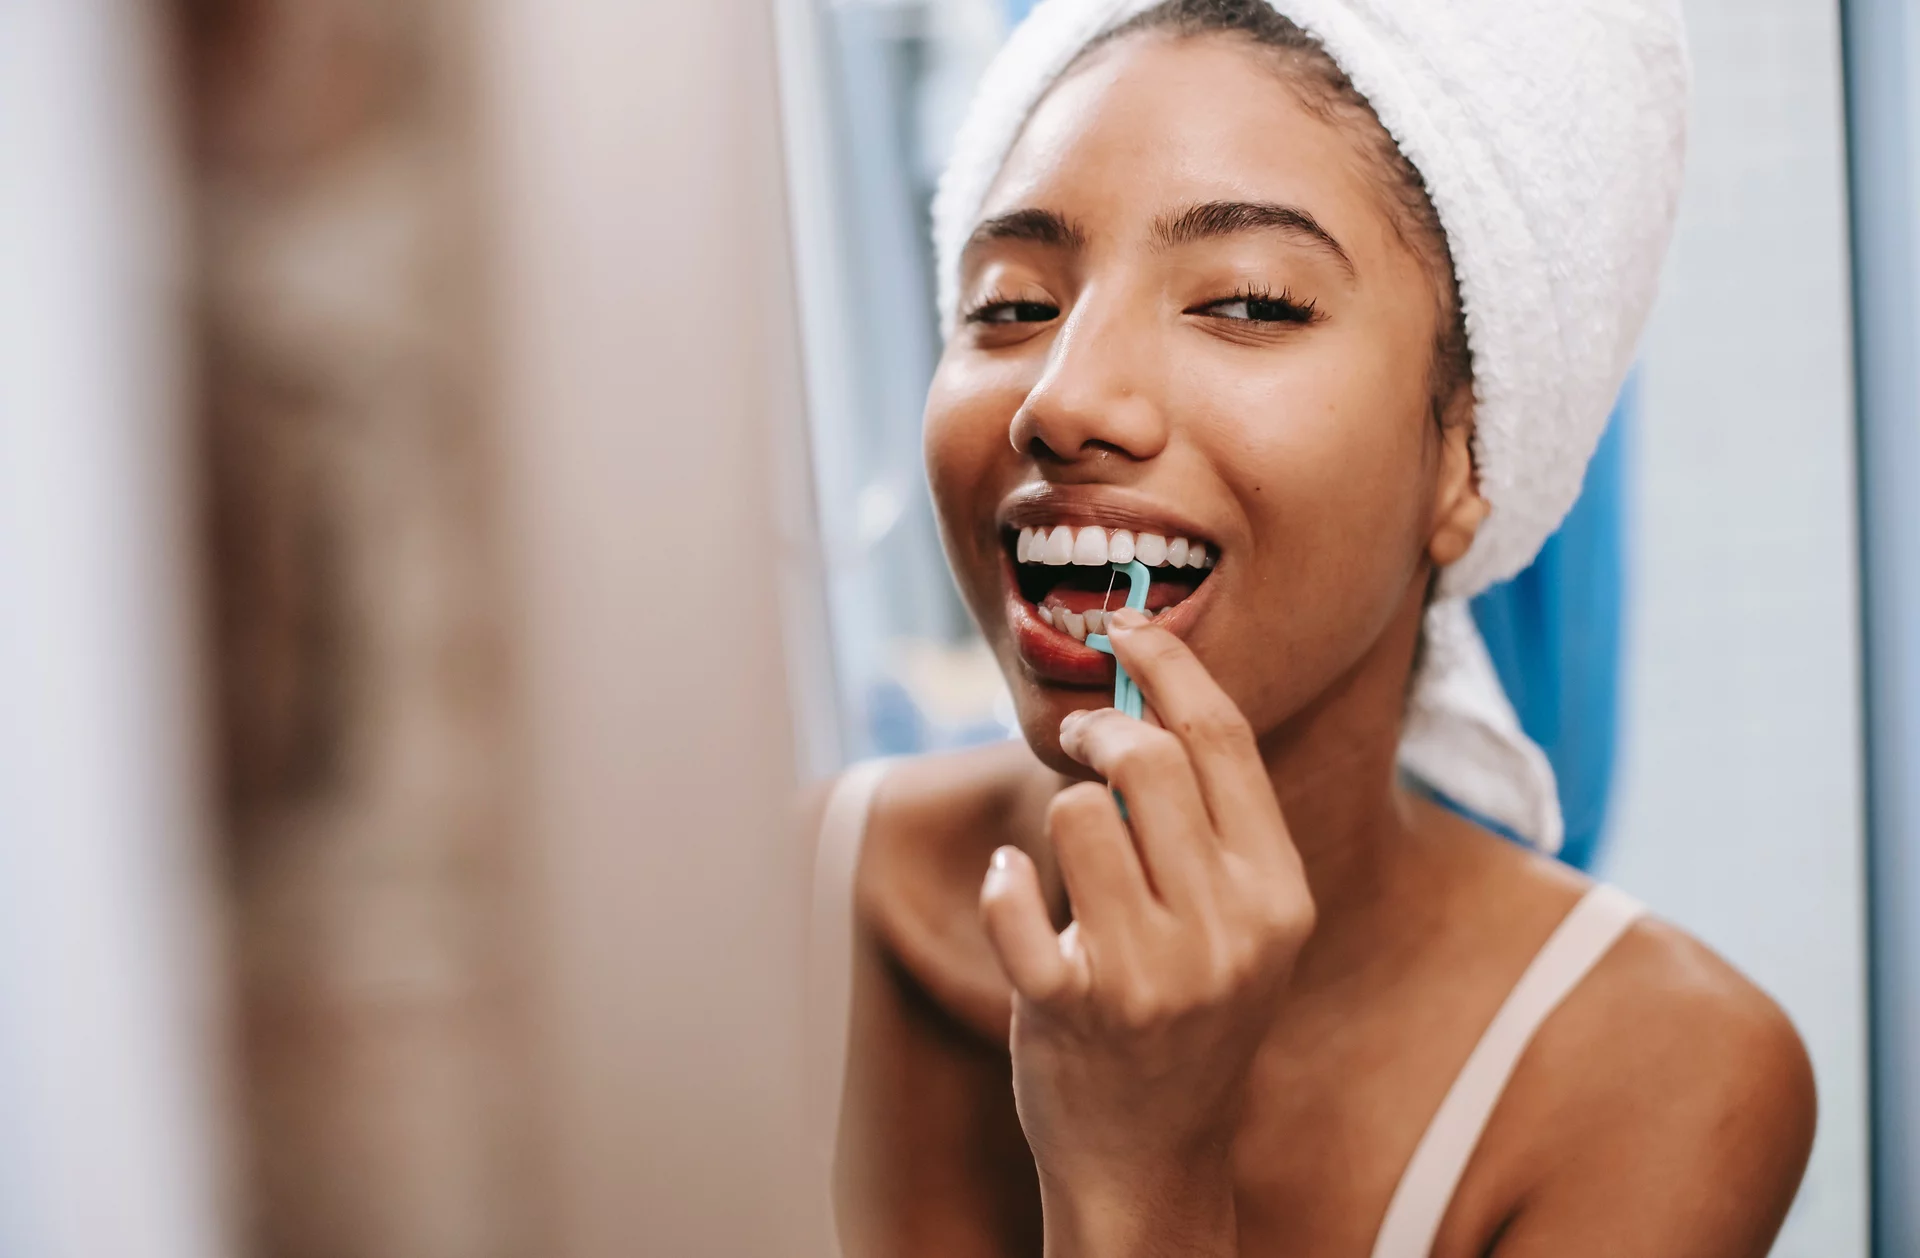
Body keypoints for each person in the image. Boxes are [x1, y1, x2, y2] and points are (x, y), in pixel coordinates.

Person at [809, 3, 1816, 1254]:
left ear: (1467, 452)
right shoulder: (773, 898)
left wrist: (1143, 1175)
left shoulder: (1665, 1080)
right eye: (1011, 306)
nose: (1062, 400)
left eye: (1249, 301)